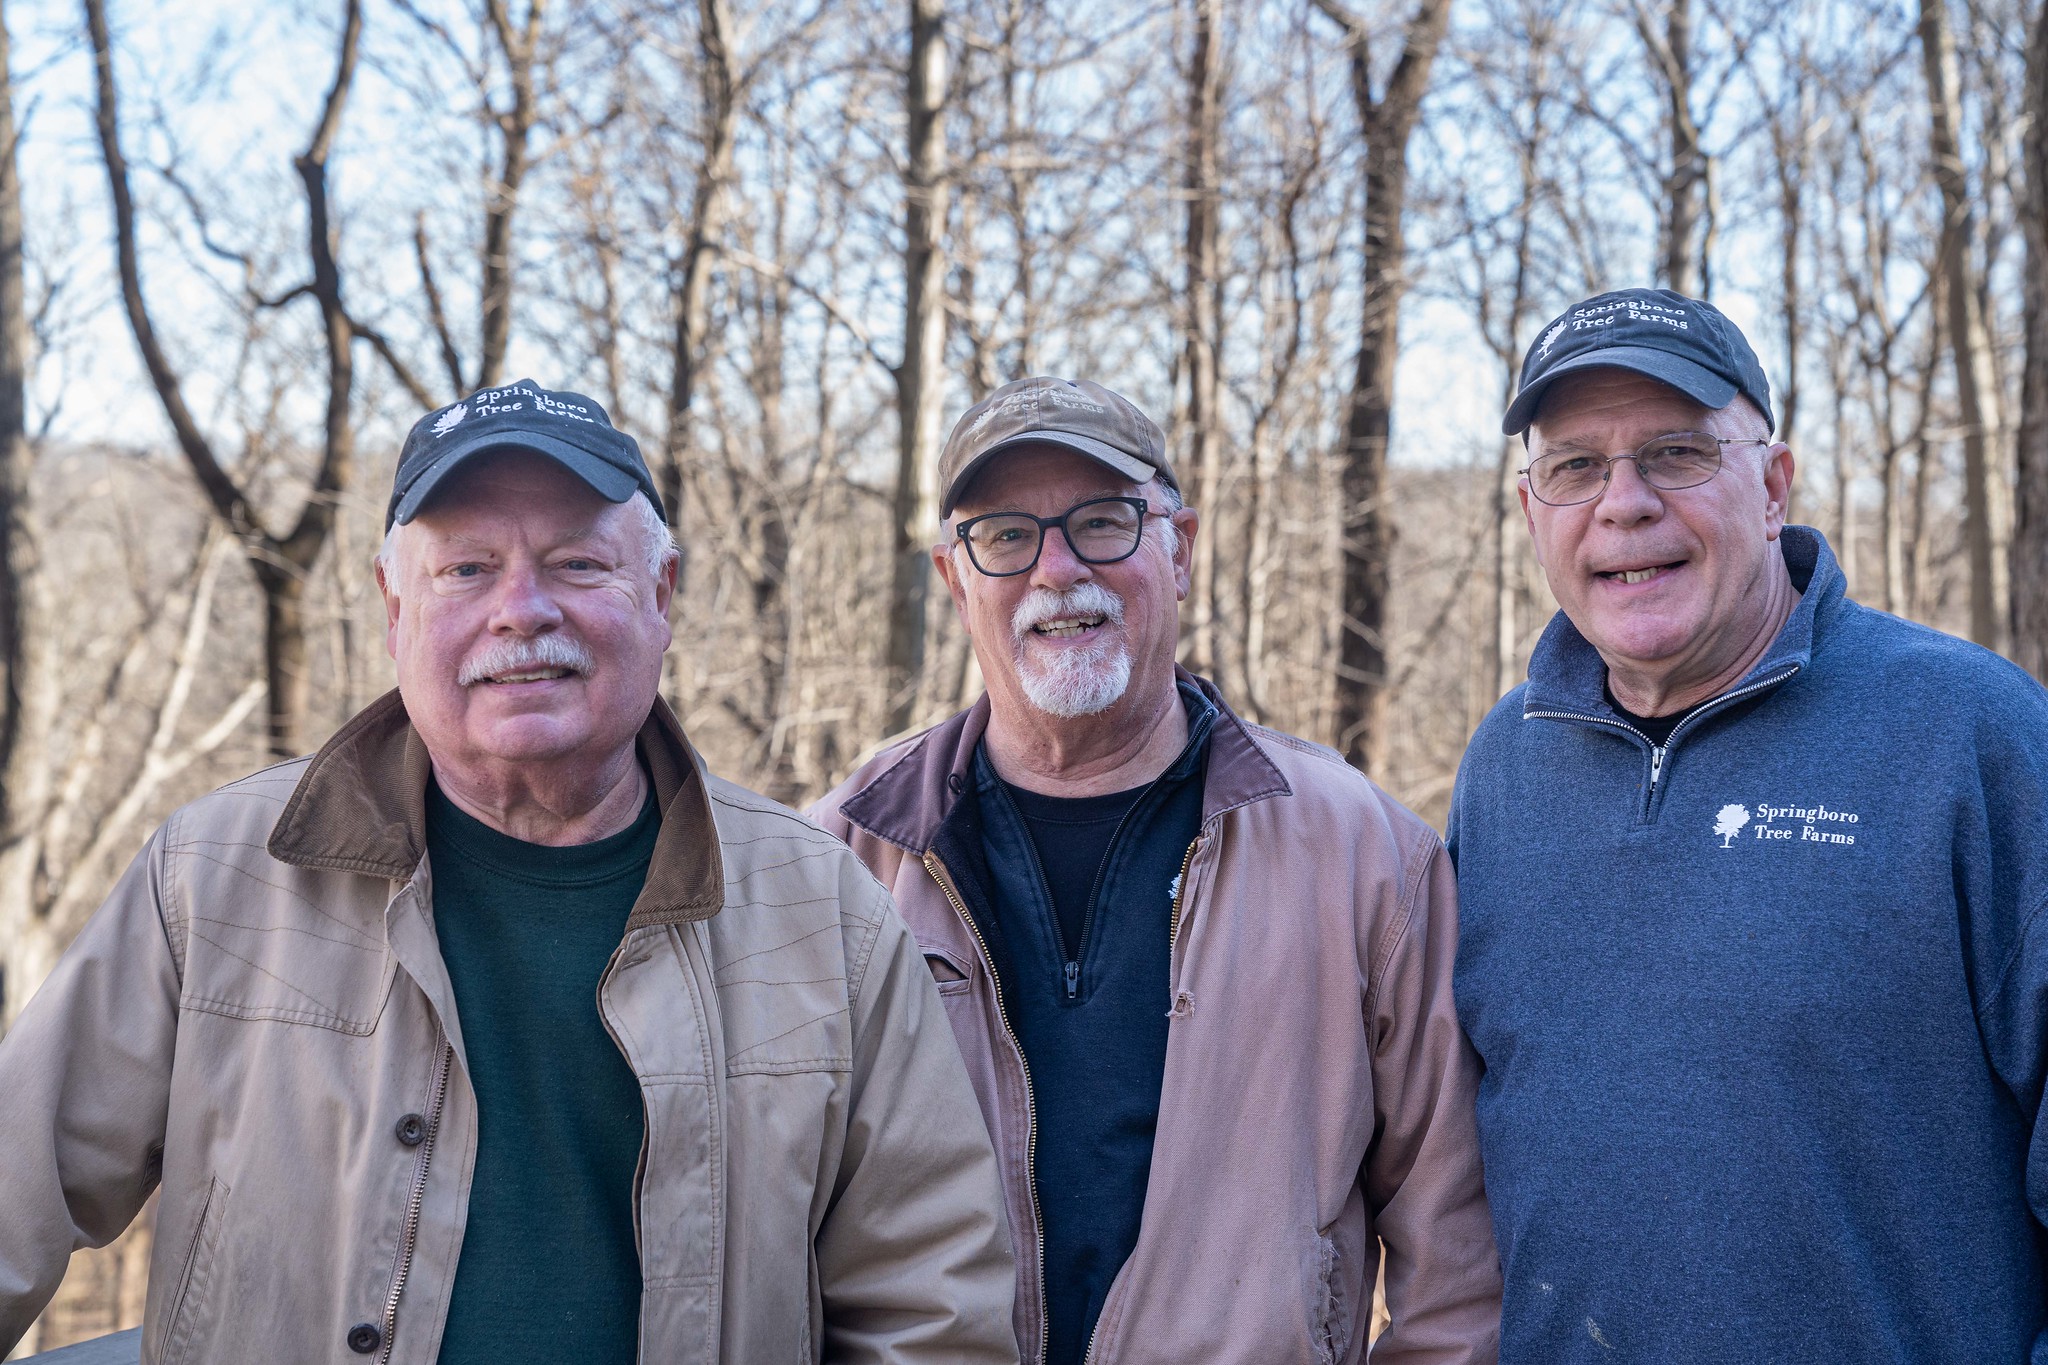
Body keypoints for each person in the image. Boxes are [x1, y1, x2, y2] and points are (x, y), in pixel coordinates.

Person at [0, 380, 1017, 1363]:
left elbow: (929, 1314)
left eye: (577, 564)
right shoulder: (215, 878)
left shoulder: (821, 912)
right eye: (466, 569)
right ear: (392, 603)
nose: (521, 610)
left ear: (660, 595)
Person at [811, 375, 1500, 1365]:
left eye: (1102, 522)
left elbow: (1457, 1264)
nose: (1055, 569)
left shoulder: (1362, 855)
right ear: (953, 577)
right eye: (1004, 536)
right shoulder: (842, 856)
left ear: (1178, 548)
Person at [1450, 290, 2048, 1362]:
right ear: (1532, 509)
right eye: (1572, 466)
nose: (1620, 504)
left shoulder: (1972, 737)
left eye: (1674, 453)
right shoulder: (1503, 769)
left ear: (1771, 486)